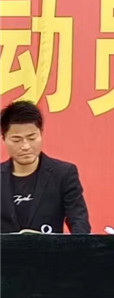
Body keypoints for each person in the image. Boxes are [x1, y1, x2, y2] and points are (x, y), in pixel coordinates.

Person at [1, 99, 91, 234]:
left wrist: (79, 244)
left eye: (32, 138)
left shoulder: (63, 174)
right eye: (16, 140)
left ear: (41, 134)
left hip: (49, 248)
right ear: (3, 138)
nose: (25, 146)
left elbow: (79, 221)